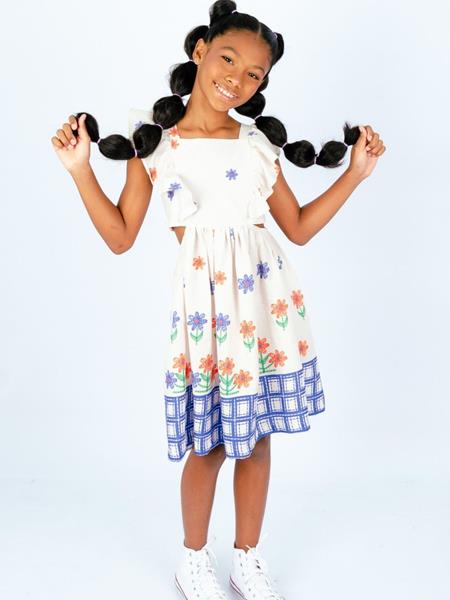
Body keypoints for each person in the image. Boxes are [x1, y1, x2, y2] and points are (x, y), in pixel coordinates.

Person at [51, 1, 386, 598]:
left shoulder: (257, 145)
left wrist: (355, 173)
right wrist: (80, 170)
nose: (237, 78)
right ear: (200, 51)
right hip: (206, 313)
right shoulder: (155, 143)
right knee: (209, 444)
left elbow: (298, 228)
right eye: (227, 59)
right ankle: (193, 559)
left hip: (266, 306)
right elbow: (120, 237)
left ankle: (247, 559)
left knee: (256, 439)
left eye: (254, 73)